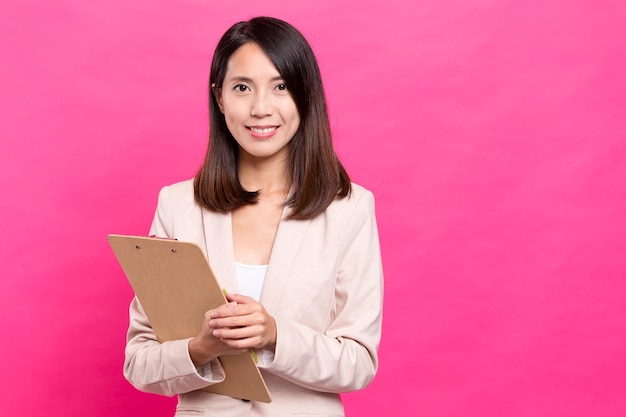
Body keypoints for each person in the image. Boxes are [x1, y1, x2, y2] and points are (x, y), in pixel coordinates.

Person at [123, 16, 383, 417]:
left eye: (280, 86)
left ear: (305, 96)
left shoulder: (349, 209)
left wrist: (274, 335)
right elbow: (140, 363)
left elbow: (359, 364)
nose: (261, 108)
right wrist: (202, 348)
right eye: (242, 87)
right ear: (220, 97)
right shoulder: (178, 205)